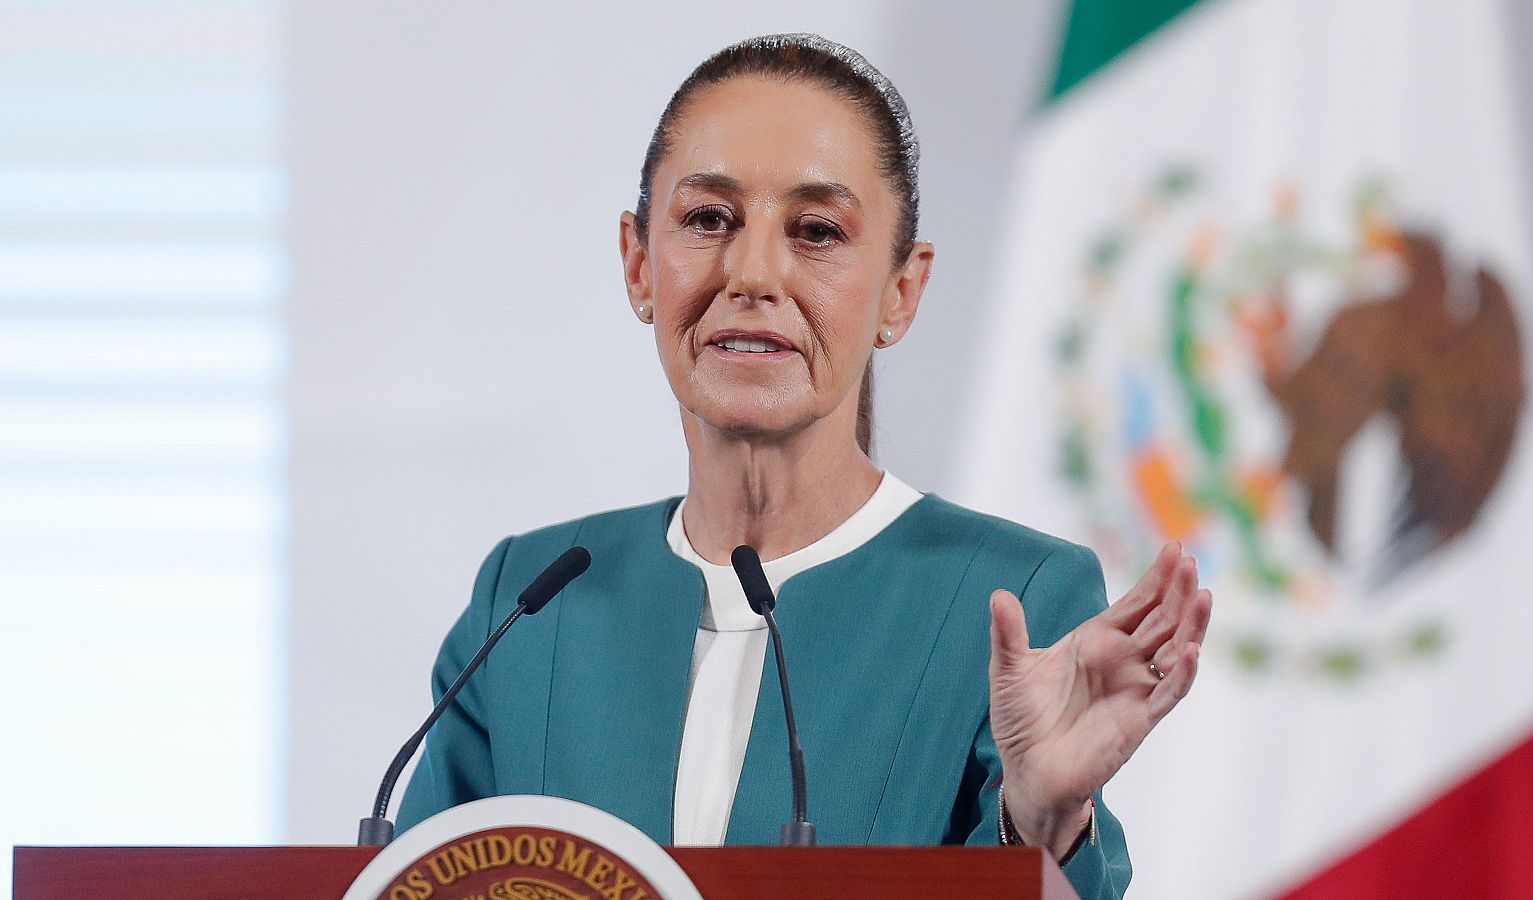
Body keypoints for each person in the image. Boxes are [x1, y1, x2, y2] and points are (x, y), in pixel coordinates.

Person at [394, 33, 1210, 899]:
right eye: (708, 220)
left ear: (901, 291)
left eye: (816, 231)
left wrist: (1037, 823)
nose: (752, 273)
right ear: (638, 265)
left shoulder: (1012, 600)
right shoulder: (530, 602)